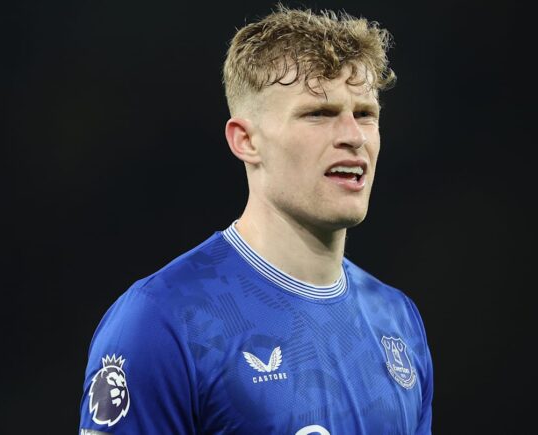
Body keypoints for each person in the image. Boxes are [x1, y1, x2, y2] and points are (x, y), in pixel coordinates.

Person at [79, 5, 433, 434]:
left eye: (364, 114)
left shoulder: (396, 320)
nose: (353, 136)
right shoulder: (163, 321)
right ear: (246, 140)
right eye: (318, 114)